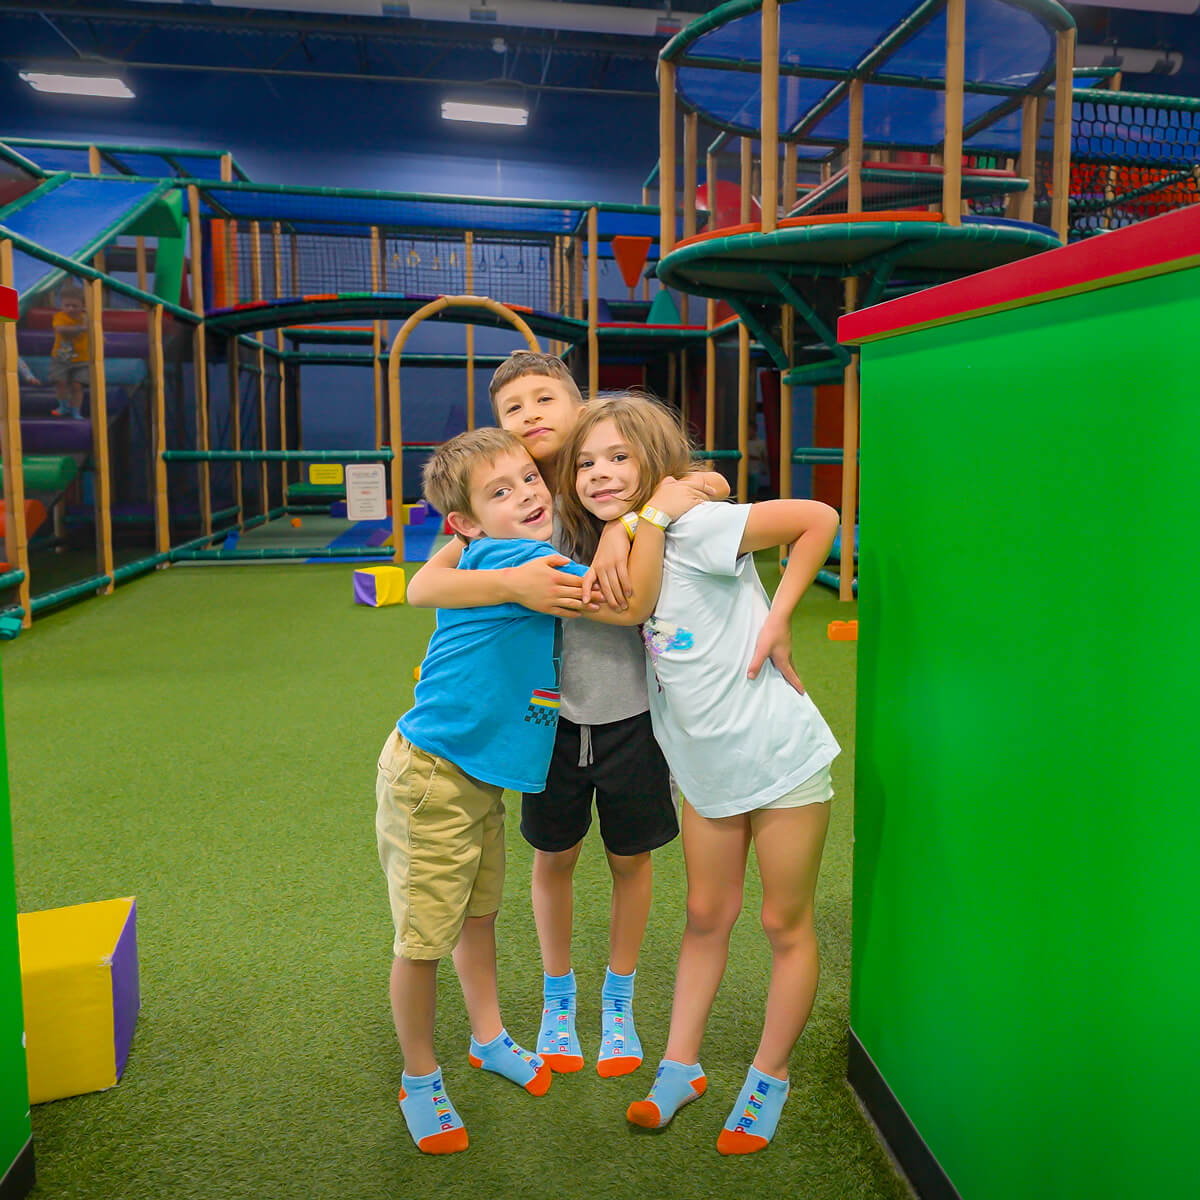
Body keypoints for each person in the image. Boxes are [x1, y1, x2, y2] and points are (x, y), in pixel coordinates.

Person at [407, 352, 724, 1080]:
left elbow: (705, 480)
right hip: (546, 725)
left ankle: (618, 1000)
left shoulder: (611, 480)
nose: (532, 417)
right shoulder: (508, 503)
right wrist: (513, 581)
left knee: (629, 858)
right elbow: (428, 584)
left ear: (578, 403)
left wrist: (626, 526)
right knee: (554, 857)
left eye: (545, 398)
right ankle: (559, 998)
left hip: (631, 716)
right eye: (514, 408)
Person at [380, 425, 691, 1155]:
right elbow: (621, 600)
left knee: (479, 915)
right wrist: (640, 524)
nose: (526, 495)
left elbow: (434, 580)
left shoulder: (509, 539)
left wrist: (631, 517)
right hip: (432, 775)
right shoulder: (524, 555)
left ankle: (488, 1038)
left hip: (480, 778)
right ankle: (419, 1079)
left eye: (528, 481)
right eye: (500, 490)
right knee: (425, 938)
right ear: (462, 524)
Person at [557, 394, 842, 1156]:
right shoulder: (623, 549)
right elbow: (626, 604)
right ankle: (680, 1068)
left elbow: (819, 517)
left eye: (619, 457)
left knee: (783, 922)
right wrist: (630, 524)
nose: (599, 473)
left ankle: (767, 1074)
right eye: (585, 463)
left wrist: (781, 615)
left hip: (780, 759)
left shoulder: (700, 526)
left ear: (654, 462)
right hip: (706, 772)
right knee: (706, 916)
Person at [49, 284, 89, 420]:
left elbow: (94, 331)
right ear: (61, 305)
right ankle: (63, 406)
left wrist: (100, 338)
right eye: (67, 305)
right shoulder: (60, 317)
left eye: (74, 306)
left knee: (77, 386)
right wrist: (81, 329)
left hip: (82, 359)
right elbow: (61, 330)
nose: (70, 308)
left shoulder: (86, 318)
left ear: (83, 306)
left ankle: (75, 410)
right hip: (61, 358)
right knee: (60, 382)